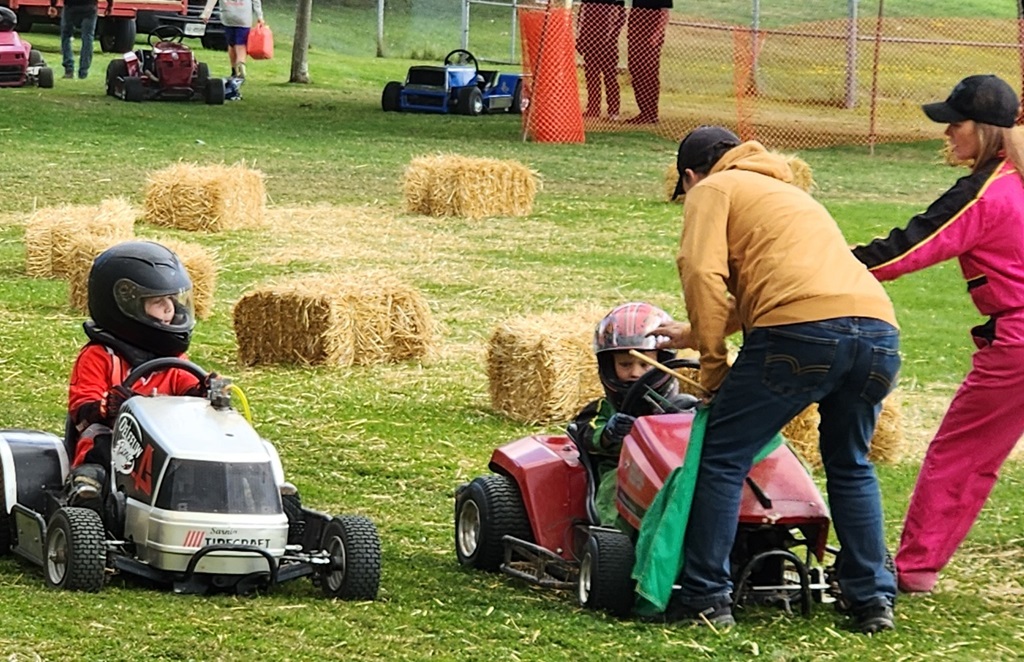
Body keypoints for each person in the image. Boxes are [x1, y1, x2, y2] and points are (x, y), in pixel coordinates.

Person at [653, 125, 902, 633]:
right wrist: (693, 331)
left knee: (722, 454)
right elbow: (787, 287)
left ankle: (705, 597)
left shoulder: (712, 190)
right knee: (851, 463)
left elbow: (702, 273)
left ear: (689, 175)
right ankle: (872, 598)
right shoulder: (788, 194)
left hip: (800, 338)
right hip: (878, 334)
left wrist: (713, 363)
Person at [851, 74, 1024, 595]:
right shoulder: (1014, 178)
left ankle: (914, 568)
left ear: (983, 130)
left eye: (955, 124)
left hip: (1017, 344)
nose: (946, 134)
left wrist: (820, 266)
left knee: (961, 454)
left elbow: (904, 250)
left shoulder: (984, 193)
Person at [66, 241, 205, 506]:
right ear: (125, 307)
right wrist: (107, 408)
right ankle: (87, 488)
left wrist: (207, 390)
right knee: (98, 438)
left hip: (163, 449)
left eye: (172, 300)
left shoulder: (174, 360)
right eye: (158, 301)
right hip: (115, 447)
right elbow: (81, 414)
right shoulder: (98, 356)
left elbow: (190, 390)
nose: (170, 309)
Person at [570, 302, 691, 526]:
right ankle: (613, 540)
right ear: (608, 366)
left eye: (645, 365)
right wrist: (610, 433)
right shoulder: (603, 409)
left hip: (674, 474)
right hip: (623, 472)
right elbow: (587, 432)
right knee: (616, 486)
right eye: (625, 364)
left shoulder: (680, 407)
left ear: (664, 363)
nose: (635, 373)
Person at [576, 0, 626, 120]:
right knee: (592, 76)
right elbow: (582, 17)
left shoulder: (615, 3)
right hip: (590, 42)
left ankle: (613, 110)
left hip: (608, 45)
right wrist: (581, 39)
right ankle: (593, 108)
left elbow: (619, 17)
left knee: (610, 76)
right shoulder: (588, 4)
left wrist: (607, 38)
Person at [625, 0, 671, 125]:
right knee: (635, 70)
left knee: (648, 72)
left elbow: (665, 13)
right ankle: (643, 110)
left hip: (651, 31)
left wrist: (656, 35)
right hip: (636, 30)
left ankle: (651, 112)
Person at [200, 0, 265, 80]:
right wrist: (260, 16)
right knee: (241, 44)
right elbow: (256, 1)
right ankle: (241, 65)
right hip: (243, 18)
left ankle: (234, 70)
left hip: (228, 17)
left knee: (231, 44)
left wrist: (206, 13)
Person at [48, 0, 107, 80]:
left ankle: (69, 68)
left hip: (71, 6)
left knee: (66, 36)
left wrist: (53, 5)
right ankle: (83, 71)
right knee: (88, 37)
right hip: (89, 6)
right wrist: (110, 5)